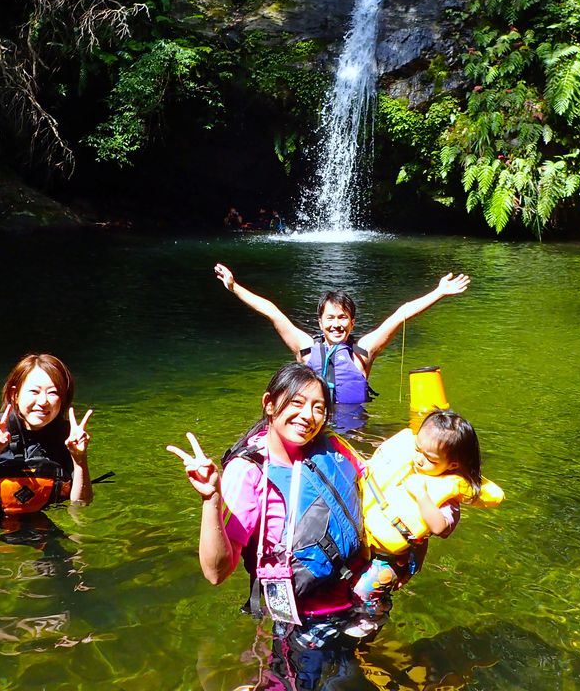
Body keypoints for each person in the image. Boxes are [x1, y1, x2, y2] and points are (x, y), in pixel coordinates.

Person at [167, 363, 367, 664]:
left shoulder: (335, 449)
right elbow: (216, 573)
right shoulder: (249, 473)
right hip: (301, 628)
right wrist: (211, 499)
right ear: (269, 404)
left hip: (363, 604)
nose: (308, 416)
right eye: (296, 403)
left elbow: (377, 497)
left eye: (318, 408)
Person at [213, 264, 471, 430]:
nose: (336, 325)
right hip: (312, 426)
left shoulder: (363, 352)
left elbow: (400, 315)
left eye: (343, 318)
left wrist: (439, 292)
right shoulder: (305, 350)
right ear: (320, 321)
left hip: (355, 429)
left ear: (352, 321)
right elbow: (273, 312)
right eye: (331, 318)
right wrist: (235, 288)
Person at [346, 409, 503, 637]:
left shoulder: (447, 495)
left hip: (392, 560)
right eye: (418, 449)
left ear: (452, 465)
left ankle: (374, 617)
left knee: (364, 590)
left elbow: (441, 528)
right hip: (369, 540)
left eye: (430, 458)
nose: (419, 458)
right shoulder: (408, 465)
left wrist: (422, 496)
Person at [0, 353, 94, 516]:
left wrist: (79, 458)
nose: (43, 401)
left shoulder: (68, 436)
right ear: (15, 395)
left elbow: (80, 507)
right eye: (34, 391)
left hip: (34, 522)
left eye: (53, 393)